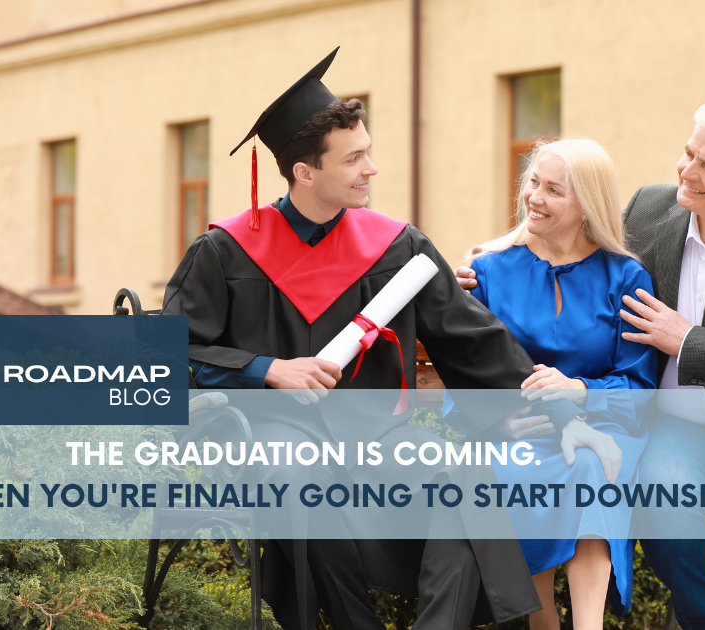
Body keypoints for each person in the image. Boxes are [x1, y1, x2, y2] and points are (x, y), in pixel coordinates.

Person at [162, 47, 581, 630]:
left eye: (369, 153)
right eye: (355, 158)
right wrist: (267, 368)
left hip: (377, 432)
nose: (371, 170)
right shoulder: (226, 252)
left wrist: (554, 413)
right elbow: (169, 354)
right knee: (297, 474)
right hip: (273, 430)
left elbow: (472, 338)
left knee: (462, 473)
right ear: (305, 172)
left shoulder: (396, 249)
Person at [456, 96, 705, 630]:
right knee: (658, 489)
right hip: (679, 426)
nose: (687, 171)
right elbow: (575, 221)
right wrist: (491, 256)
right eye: (689, 153)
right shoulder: (652, 208)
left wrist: (688, 340)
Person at [449, 138, 657, 630]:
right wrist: (501, 424)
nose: (534, 198)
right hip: (520, 429)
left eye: (553, 190)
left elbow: (639, 385)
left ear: (587, 204)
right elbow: (468, 375)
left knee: (590, 463)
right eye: (533, 184)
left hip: (603, 423)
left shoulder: (626, 277)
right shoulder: (488, 271)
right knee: (517, 472)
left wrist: (579, 391)